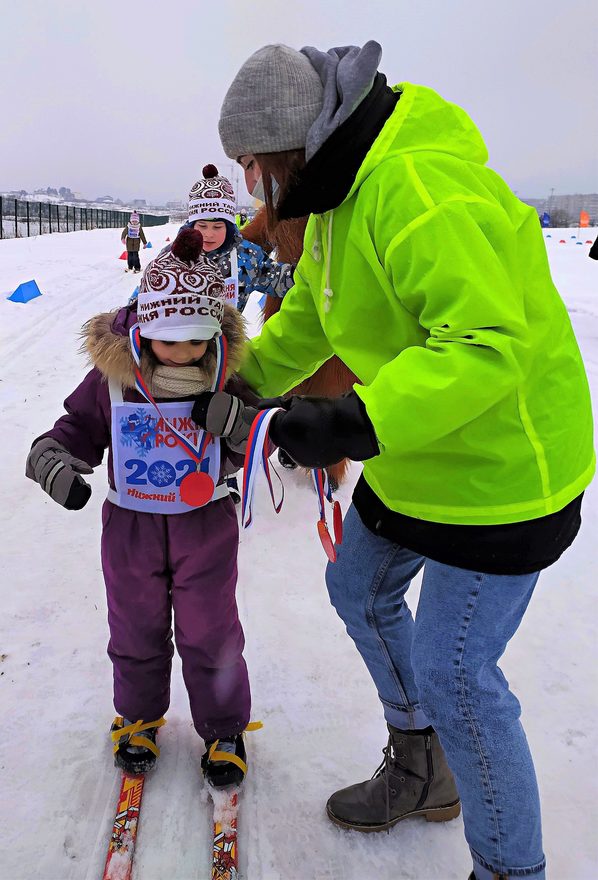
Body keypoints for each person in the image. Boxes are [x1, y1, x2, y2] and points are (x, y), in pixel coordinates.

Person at [195, 42, 595, 880]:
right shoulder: (339, 189)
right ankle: (423, 767)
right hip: (425, 453)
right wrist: (245, 384)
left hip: (502, 472)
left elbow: (488, 348)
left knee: (459, 672)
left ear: (287, 147)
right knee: (360, 587)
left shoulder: (417, 189)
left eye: (252, 166)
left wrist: (353, 420)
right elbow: (312, 309)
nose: (250, 187)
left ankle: (510, 870)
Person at [25, 227, 258, 788]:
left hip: (205, 525)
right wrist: (52, 456)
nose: (182, 353)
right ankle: (138, 717)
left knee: (211, 629)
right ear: (143, 330)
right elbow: (78, 425)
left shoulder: (225, 379)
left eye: (196, 340)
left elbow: (261, 437)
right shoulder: (113, 382)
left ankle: (224, 726)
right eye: (168, 339)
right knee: (135, 626)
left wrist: (241, 425)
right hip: (130, 527)